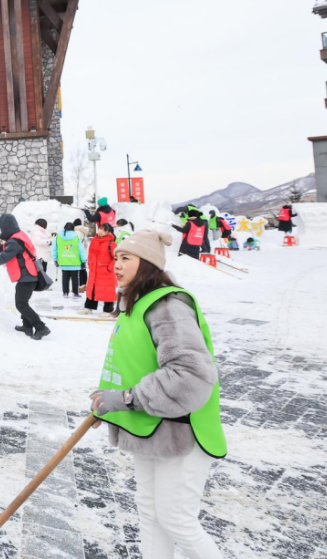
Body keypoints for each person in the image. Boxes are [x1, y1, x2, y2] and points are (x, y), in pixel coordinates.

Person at [89, 229, 226, 559]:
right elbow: (133, 363)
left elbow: (190, 375)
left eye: (126, 258)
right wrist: (106, 400)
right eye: (116, 257)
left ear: (147, 264)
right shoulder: (136, 305)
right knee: (150, 514)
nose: (116, 264)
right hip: (152, 427)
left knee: (176, 520)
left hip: (181, 432)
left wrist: (126, 399)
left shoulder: (167, 305)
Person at [0, 214, 50, 341]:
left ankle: (41, 327)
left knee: (21, 304)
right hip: (28, 276)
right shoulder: (18, 237)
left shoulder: (14, 242)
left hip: (28, 277)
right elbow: (4, 248)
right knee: (22, 303)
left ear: (7, 227)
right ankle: (27, 326)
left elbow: (1, 259)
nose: (1, 230)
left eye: (1, 228)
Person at [81, 222, 117, 316]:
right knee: (92, 289)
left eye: (103, 229)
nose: (100, 231)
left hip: (106, 272)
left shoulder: (111, 243)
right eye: (100, 228)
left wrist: (109, 268)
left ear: (108, 232)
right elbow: (90, 253)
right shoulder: (94, 241)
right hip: (94, 270)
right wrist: (90, 263)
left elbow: (117, 257)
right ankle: (88, 307)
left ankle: (107, 310)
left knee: (107, 291)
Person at [53, 221, 85, 298]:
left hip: (63, 261)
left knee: (65, 278)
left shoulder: (58, 237)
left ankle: (65, 293)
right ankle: (75, 293)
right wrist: (83, 260)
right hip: (75, 261)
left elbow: (54, 249)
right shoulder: (76, 237)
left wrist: (55, 259)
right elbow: (81, 250)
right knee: (75, 278)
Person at [74, 218, 90, 288]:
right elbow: (86, 245)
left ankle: (81, 286)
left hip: (78, 253)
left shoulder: (77, 232)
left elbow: (75, 244)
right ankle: (84, 285)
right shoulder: (83, 232)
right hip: (84, 253)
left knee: (80, 270)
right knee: (83, 269)